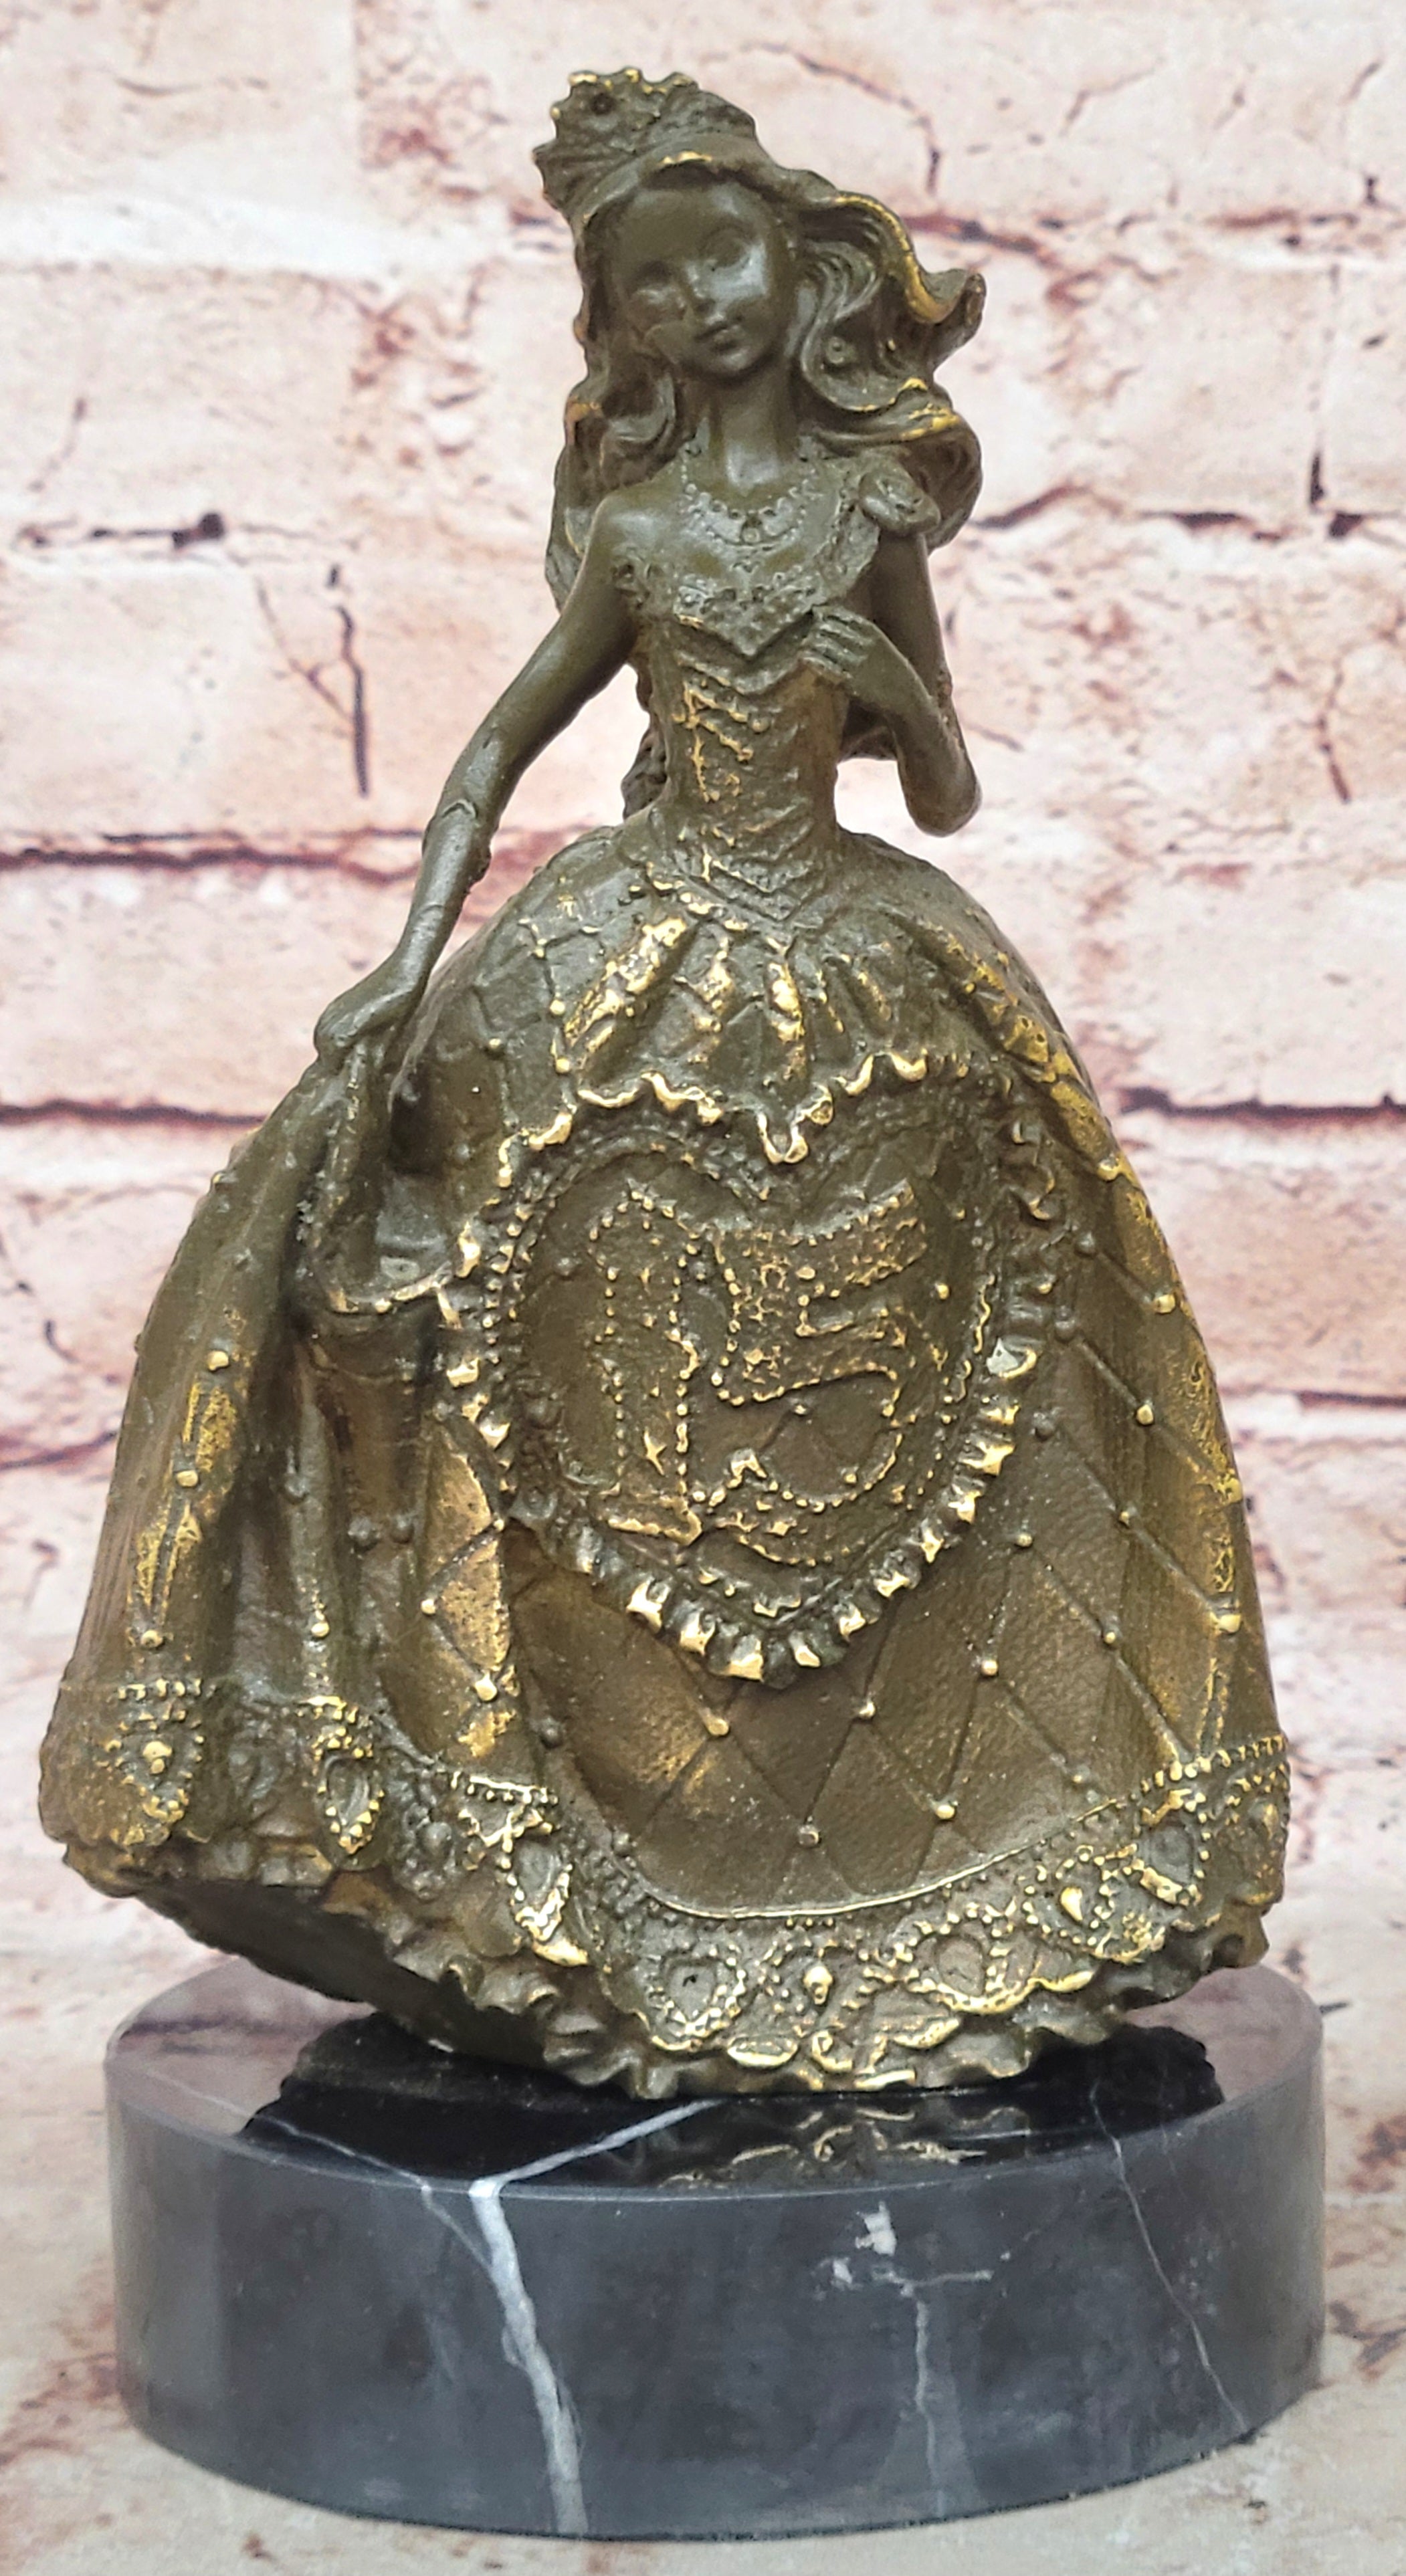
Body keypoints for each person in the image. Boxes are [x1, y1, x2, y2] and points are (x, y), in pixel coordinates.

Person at [41, 72, 1286, 2097]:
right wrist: (408, 955)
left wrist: (894, 700)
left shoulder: (872, 515)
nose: (696, 306)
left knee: (951, 1381)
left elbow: (948, 789)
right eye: (650, 285)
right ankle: (549, 1843)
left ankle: (941, 1851)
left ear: (801, 269)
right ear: (614, 327)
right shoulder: (633, 530)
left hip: (864, 962)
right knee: (538, 1366)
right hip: (633, 958)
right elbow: (493, 752)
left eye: (720, 261)